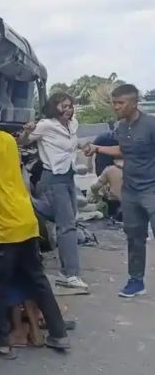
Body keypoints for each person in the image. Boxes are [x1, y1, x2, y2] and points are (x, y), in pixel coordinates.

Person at [0, 93, 70, 356]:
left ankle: (1, 341)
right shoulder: (8, 141)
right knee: (38, 280)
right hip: (26, 219)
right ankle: (58, 334)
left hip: (4, 224)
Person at [85, 84, 155, 298]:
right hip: (131, 190)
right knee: (134, 237)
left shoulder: (151, 124)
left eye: (120, 103)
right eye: (114, 102)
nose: (116, 107)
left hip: (151, 189)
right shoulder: (121, 127)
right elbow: (123, 149)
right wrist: (97, 148)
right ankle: (136, 281)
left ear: (134, 103)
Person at [19, 93, 87, 290]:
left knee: (68, 221)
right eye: (63, 106)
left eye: (70, 105)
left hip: (68, 176)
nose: (68, 109)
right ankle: (71, 274)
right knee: (67, 226)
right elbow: (23, 142)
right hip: (53, 178)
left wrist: (85, 146)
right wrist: (26, 132)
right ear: (53, 107)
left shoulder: (73, 124)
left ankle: (30, 206)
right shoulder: (46, 125)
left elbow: (72, 145)